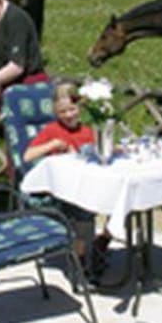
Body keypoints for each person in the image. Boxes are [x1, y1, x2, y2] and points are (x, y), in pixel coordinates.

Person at [23, 82, 111, 278]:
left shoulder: (88, 131)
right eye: (63, 111)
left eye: (72, 109)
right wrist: (52, 145)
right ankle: (80, 262)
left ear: (79, 108)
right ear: (55, 112)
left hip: (89, 183)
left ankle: (102, 242)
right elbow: (27, 156)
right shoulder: (52, 130)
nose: (69, 115)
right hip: (64, 190)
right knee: (83, 209)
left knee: (120, 197)